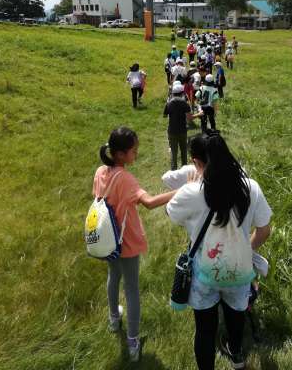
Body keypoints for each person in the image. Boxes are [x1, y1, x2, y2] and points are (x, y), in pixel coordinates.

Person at [166, 133, 272, 370]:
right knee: (236, 319)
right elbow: (264, 230)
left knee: (205, 330)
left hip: (204, 274)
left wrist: (188, 185)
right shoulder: (251, 188)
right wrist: (246, 249)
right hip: (240, 272)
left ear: (196, 162)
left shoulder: (191, 192)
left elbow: (170, 213)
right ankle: (237, 358)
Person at [93, 127, 176, 361]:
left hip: (108, 240)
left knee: (113, 276)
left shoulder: (100, 172)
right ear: (120, 154)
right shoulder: (126, 179)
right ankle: (132, 342)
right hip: (126, 241)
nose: (136, 154)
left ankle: (113, 319)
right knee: (131, 289)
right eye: (134, 150)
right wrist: (181, 190)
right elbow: (149, 202)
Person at [163, 83, 200, 170]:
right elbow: (189, 118)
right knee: (184, 152)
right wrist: (199, 114)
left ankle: (173, 171)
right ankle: (184, 170)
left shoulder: (169, 103)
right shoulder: (184, 103)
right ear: (182, 93)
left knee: (174, 153)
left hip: (172, 131)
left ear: (173, 93)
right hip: (182, 130)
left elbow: (164, 115)